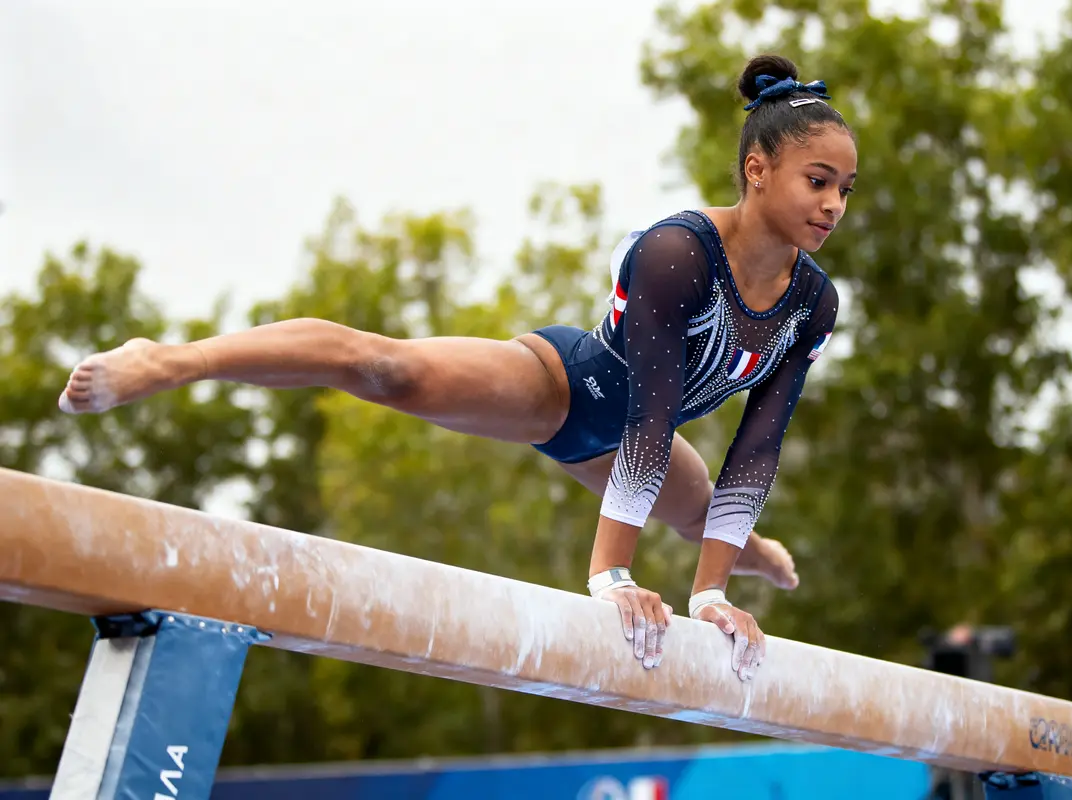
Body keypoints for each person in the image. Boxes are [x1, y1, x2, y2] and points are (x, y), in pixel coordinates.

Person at [56, 53, 856, 682]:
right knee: (386, 369)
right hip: (569, 390)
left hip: (636, 444)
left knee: (696, 510)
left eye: (845, 190)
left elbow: (759, 443)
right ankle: (170, 360)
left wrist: (710, 593)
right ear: (757, 169)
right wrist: (611, 577)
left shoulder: (813, 304)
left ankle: (747, 551)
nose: (832, 205)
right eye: (817, 181)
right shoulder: (679, 251)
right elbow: (648, 413)